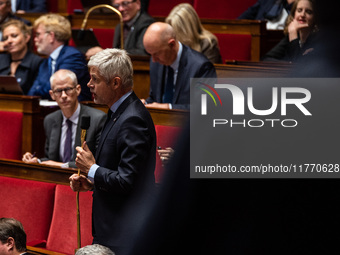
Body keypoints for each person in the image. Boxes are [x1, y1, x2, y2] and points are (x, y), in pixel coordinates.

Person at [69, 48, 156, 253]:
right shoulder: (118, 112)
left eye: (95, 79)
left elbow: (127, 181)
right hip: (111, 229)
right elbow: (117, 172)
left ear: (115, 83)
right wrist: (92, 183)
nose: (89, 84)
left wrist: (91, 169)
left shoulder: (133, 119)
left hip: (124, 234)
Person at [22, 69, 106, 168]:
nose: (64, 96)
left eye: (68, 89)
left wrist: (62, 166)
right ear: (52, 95)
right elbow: (50, 159)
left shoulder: (97, 119)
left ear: (78, 90)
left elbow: (97, 163)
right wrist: (37, 161)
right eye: (58, 91)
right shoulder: (50, 120)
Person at [141, 22, 216, 110]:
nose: (153, 60)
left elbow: (204, 108)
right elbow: (155, 98)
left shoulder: (201, 67)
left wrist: (169, 108)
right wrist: (146, 103)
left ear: (172, 44)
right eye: (150, 54)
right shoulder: (156, 62)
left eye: (156, 54)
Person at [27, 14, 91, 101]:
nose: (35, 39)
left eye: (38, 34)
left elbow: (57, 88)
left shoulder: (72, 56)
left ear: (51, 36)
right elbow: (31, 93)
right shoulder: (46, 62)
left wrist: (39, 89)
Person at [85, 0, 154, 59]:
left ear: (138, 4)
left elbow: (142, 52)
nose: (120, 9)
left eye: (125, 3)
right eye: (116, 5)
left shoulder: (146, 23)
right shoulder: (119, 26)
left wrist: (106, 53)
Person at [0, 19, 42, 94]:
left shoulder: (37, 62)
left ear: (27, 38)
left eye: (14, 36)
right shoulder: (1, 59)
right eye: (6, 38)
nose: (9, 41)